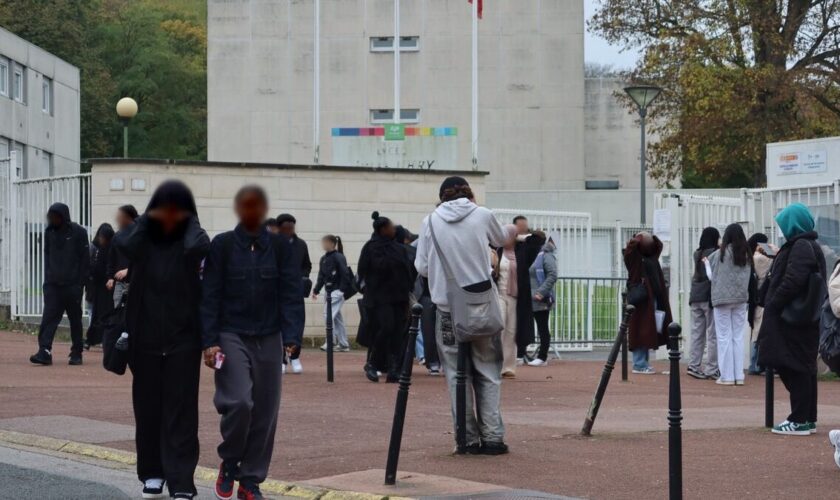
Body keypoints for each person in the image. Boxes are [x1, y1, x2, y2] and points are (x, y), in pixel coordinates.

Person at [201, 185, 303, 500]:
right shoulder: (223, 245)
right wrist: (210, 340)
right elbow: (209, 295)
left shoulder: (281, 247)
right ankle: (230, 460)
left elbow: (290, 293)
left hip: (270, 335)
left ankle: (251, 480)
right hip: (231, 334)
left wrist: (292, 336)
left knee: (266, 411)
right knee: (239, 402)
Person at [116, 180, 210, 499]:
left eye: (177, 210)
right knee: (148, 409)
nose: (170, 216)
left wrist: (190, 220)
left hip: (184, 339)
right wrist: (147, 217)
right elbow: (123, 243)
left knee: (182, 411)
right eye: (164, 209)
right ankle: (152, 473)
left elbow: (200, 245)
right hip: (145, 339)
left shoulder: (190, 242)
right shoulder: (142, 242)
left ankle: (181, 480)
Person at [415, 176, 509, 454]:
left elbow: (421, 266)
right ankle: (492, 438)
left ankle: (465, 439)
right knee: (489, 371)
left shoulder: (429, 221)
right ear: (470, 193)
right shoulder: (482, 215)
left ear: (441, 196)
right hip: (481, 305)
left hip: (447, 309)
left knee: (457, 374)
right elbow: (501, 239)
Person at [758, 203, 826, 436]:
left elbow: (793, 280)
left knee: (792, 366)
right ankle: (807, 418)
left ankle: (798, 419)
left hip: (792, 319)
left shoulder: (800, 246)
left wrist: (774, 302)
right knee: (803, 368)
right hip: (801, 319)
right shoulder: (808, 245)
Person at [29, 203, 90, 366]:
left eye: (56, 216)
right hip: (53, 285)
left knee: (75, 320)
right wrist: (47, 282)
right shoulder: (49, 233)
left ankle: (76, 352)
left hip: (72, 286)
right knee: (48, 319)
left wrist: (80, 284)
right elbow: (47, 257)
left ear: (64, 216)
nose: (53, 220)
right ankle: (44, 351)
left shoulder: (79, 233)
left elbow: (85, 260)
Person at [357, 211, 413, 382]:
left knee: (397, 332)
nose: (393, 229)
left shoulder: (399, 248)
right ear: (382, 229)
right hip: (380, 297)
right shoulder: (371, 247)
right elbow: (364, 271)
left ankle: (394, 368)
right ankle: (373, 363)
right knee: (386, 327)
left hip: (399, 297)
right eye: (390, 226)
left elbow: (408, 270)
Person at [705, 224, 751, 386]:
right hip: (740, 299)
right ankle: (739, 375)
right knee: (737, 337)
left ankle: (726, 376)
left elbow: (711, 276)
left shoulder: (719, 255)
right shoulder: (746, 254)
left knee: (724, 337)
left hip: (722, 299)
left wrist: (705, 264)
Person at [624, 232, 672, 374]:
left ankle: (643, 363)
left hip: (652, 299)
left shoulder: (650, 257)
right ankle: (639, 364)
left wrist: (650, 236)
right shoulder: (634, 259)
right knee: (640, 330)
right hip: (641, 301)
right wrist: (639, 237)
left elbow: (658, 246)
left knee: (648, 331)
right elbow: (631, 248)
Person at [276, 213, 310, 374]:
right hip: (277, 291)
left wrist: (302, 278)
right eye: (285, 228)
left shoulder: (301, 245)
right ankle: (282, 358)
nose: (289, 231)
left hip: (295, 291)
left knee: (297, 324)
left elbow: (307, 265)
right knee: (279, 324)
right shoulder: (272, 244)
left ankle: (295, 356)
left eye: (291, 228)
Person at [510, 217, 545, 365]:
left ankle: (521, 351)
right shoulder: (508, 246)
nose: (524, 230)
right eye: (520, 228)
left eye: (526, 227)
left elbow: (539, 238)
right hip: (509, 290)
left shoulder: (529, 244)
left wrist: (524, 235)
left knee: (523, 322)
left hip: (523, 290)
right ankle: (513, 352)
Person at [686, 227, 719, 379]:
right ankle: (712, 368)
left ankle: (694, 365)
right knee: (712, 334)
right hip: (708, 296)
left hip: (695, 296)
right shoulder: (715, 253)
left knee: (697, 333)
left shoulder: (696, 253)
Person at [312, 235, 351, 352]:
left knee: (327, 314)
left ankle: (331, 342)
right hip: (329, 292)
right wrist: (316, 290)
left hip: (337, 291)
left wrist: (342, 290)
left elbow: (345, 274)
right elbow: (321, 276)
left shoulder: (339, 257)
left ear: (333, 244)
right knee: (337, 318)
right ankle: (344, 344)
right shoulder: (323, 258)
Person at [528, 233, 558, 366]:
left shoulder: (546, 256)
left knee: (542, 327)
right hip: (534, 297)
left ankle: (542, 357)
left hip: (541, 298)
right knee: (539, 326)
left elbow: (552, 275)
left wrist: (541, 292)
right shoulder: (539, 255)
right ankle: (536, 355)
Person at [84, 223, 116, 349]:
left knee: (103, 315)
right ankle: (93, 339)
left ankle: (101, 339)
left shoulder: (110, 249)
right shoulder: (98, 248)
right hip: (98, 287)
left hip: (106, 287)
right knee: (95, 314)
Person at [495, 225, 519, 377]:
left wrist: (522, 236)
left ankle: (508, 367)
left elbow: (538, 239)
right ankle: (496, 364)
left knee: (511, 331)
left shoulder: (520, 253)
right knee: (500, 328)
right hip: (498, 293)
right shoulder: (497, 251)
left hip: (515, 295)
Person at [747, 233, 772, 375]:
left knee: (755, 330)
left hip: (754, 299)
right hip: (762, 298)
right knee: (759, 332)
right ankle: (756, 364)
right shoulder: (760, 258)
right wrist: (774, 252)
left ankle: (753, 364)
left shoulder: (749, 257)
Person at [106, 205, 139, 308]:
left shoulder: (141, 235)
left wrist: (128, 270)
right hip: (120, 283)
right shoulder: (117, 236)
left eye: (120, 217)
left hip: (137, 283)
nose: (118, 220)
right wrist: (110, 277)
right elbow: (111, 258)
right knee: (118, 312)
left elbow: (146, 259)